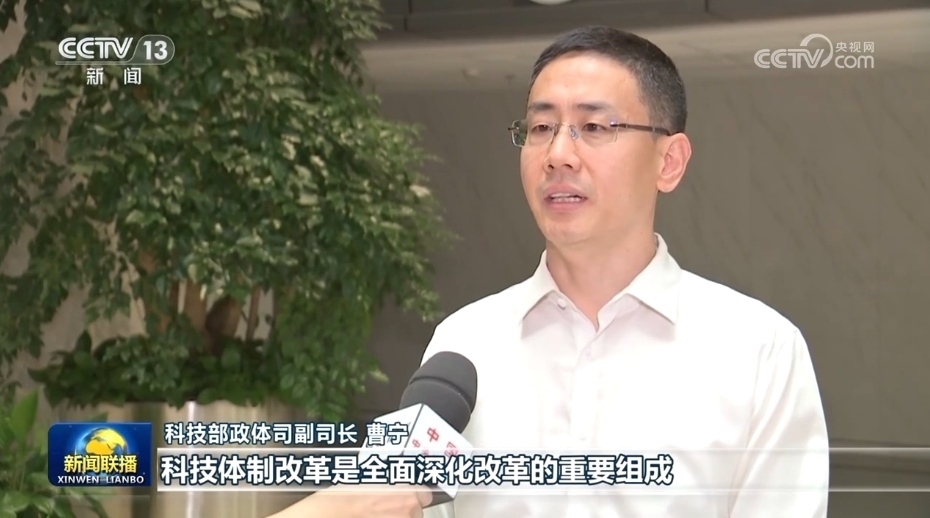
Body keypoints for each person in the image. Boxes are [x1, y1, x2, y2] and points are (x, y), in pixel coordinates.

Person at [273, 24, 829, 518]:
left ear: (669, 161)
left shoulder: (758, 351)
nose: (559, 153)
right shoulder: (463, 345)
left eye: (595, 126)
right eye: (541, 128)